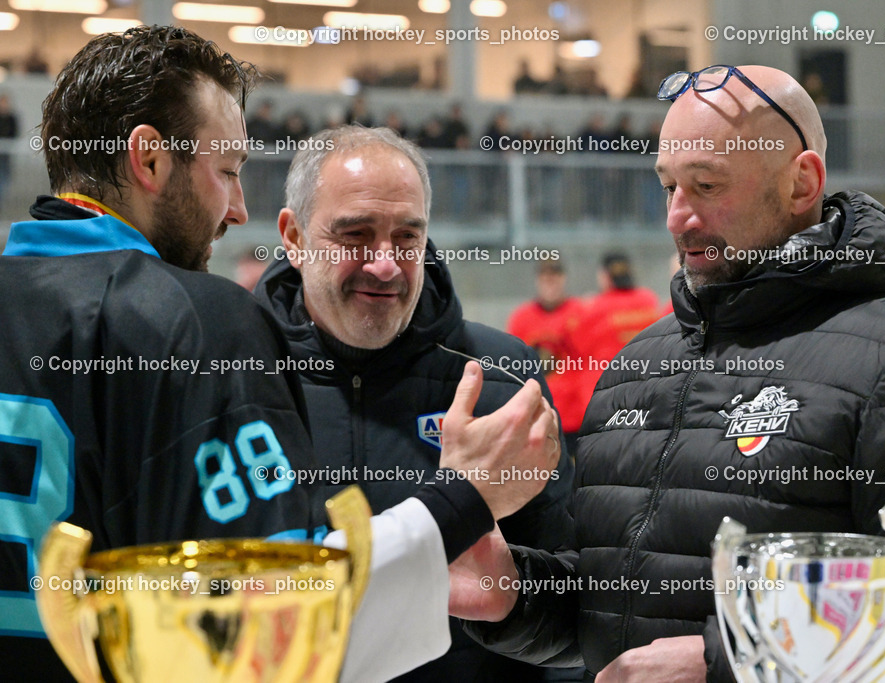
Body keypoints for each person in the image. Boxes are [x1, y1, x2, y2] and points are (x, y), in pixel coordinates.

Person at [0, 26, 560, 682]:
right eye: (227, 171)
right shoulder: (197, 323)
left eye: (408, 235)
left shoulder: (500, 371)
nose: (239, 209)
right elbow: (273, 638)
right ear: (149, 161)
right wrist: (462, 500)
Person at [453, 65, 885, 682]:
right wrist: (510, 591)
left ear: (802, 183)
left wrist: (727, 663)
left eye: (706, 185)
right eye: (668, 186)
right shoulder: (636, 367)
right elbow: (609, 607)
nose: (677, 217)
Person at [255, 124, 575, 682]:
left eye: (407, 237)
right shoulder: (232, 374)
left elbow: (581, 601)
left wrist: (510, 594)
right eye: (355, 234)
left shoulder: (500, 381)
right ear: (294, 236)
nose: (385, 264)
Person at [507, 260, 588, 456]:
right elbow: (513, 368)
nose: (550, 283)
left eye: (555, 277)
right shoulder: (522, 318)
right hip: (538, 415)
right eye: (545, 278)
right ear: (538, 280)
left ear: (563, 279)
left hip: (575, 416)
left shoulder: (581, 313)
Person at [572, 252, 661, 404]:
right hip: (645, 387)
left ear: (605, 276)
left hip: (605, 392)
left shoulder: (594, 307)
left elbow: (579, 347)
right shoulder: (649, 300)